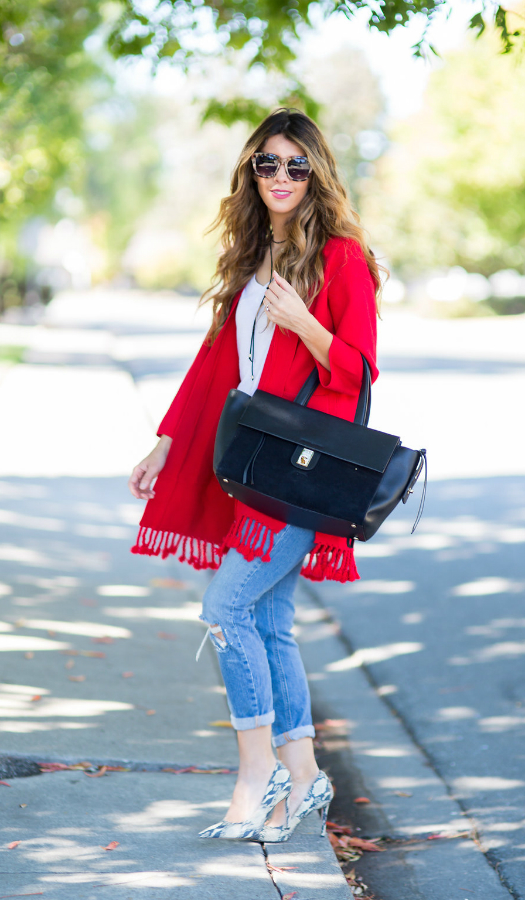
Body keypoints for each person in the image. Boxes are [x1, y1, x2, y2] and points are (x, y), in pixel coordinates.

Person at [128, 108, 381, 842]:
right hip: (251, 469)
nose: (280, 177)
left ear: (316, 174)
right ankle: (302, 776)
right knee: (268, 621)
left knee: (227, 608)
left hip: (302, 472)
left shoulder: (342, 257)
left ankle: (255, 770)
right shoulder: (251, 258)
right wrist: (165, 446)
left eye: (295, 166)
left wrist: (304, 322)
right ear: (251, 172)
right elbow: (213, 369)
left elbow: (358, 368)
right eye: (266, 164)